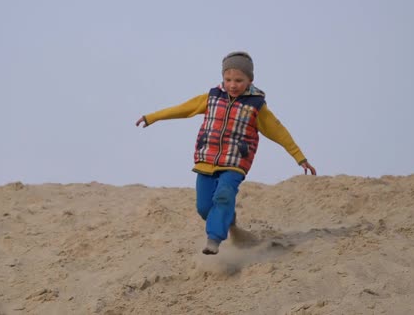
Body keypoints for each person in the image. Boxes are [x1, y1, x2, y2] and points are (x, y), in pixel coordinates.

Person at [135, 51, 316, 255]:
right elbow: (183, 109)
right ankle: (229, 221)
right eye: (228, 79)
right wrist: (152, 117)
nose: (232, 85)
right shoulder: (212, 97)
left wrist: (300, 158)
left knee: (223, 196)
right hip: (206, 159)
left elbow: (279, 132)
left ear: (250, 80)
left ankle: (214, 239)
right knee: (204, 207)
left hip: (235, 162)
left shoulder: (256, 106)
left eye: (239, 80)